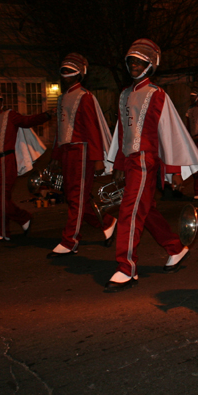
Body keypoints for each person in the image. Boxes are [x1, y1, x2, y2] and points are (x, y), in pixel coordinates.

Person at [103, 39, 198, 291]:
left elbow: (169, 134)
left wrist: (174, 172)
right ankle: (175, 248)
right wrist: (117, 164)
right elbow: (122, 132)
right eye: (131, 61)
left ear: (150, 65)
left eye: (140, 61)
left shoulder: (156, 94)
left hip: (145, 162)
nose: (134, 65)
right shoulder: (125, 94)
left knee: (130, 211)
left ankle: (126, 267)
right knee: (144, 211)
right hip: (130, 162)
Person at [47, 53, 117, 258]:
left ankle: (70, 241)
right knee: (74, 197)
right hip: (67, 151)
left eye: (70, 71)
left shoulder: (84, 96)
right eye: (64, 71)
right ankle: (107, 222)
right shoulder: (62, 98)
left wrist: (97, 159)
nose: (66, 75)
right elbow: (60, 130)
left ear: (80, 74)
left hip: (82, 151)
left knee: (77, 197)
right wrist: (55, 156)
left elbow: (92, 129)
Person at [0, 85, 52, 241]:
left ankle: (10, 226)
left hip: (7, 160)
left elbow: (27, 121)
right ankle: (14, 224)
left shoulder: (10, 115)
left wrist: (46, 115)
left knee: (1, 197)